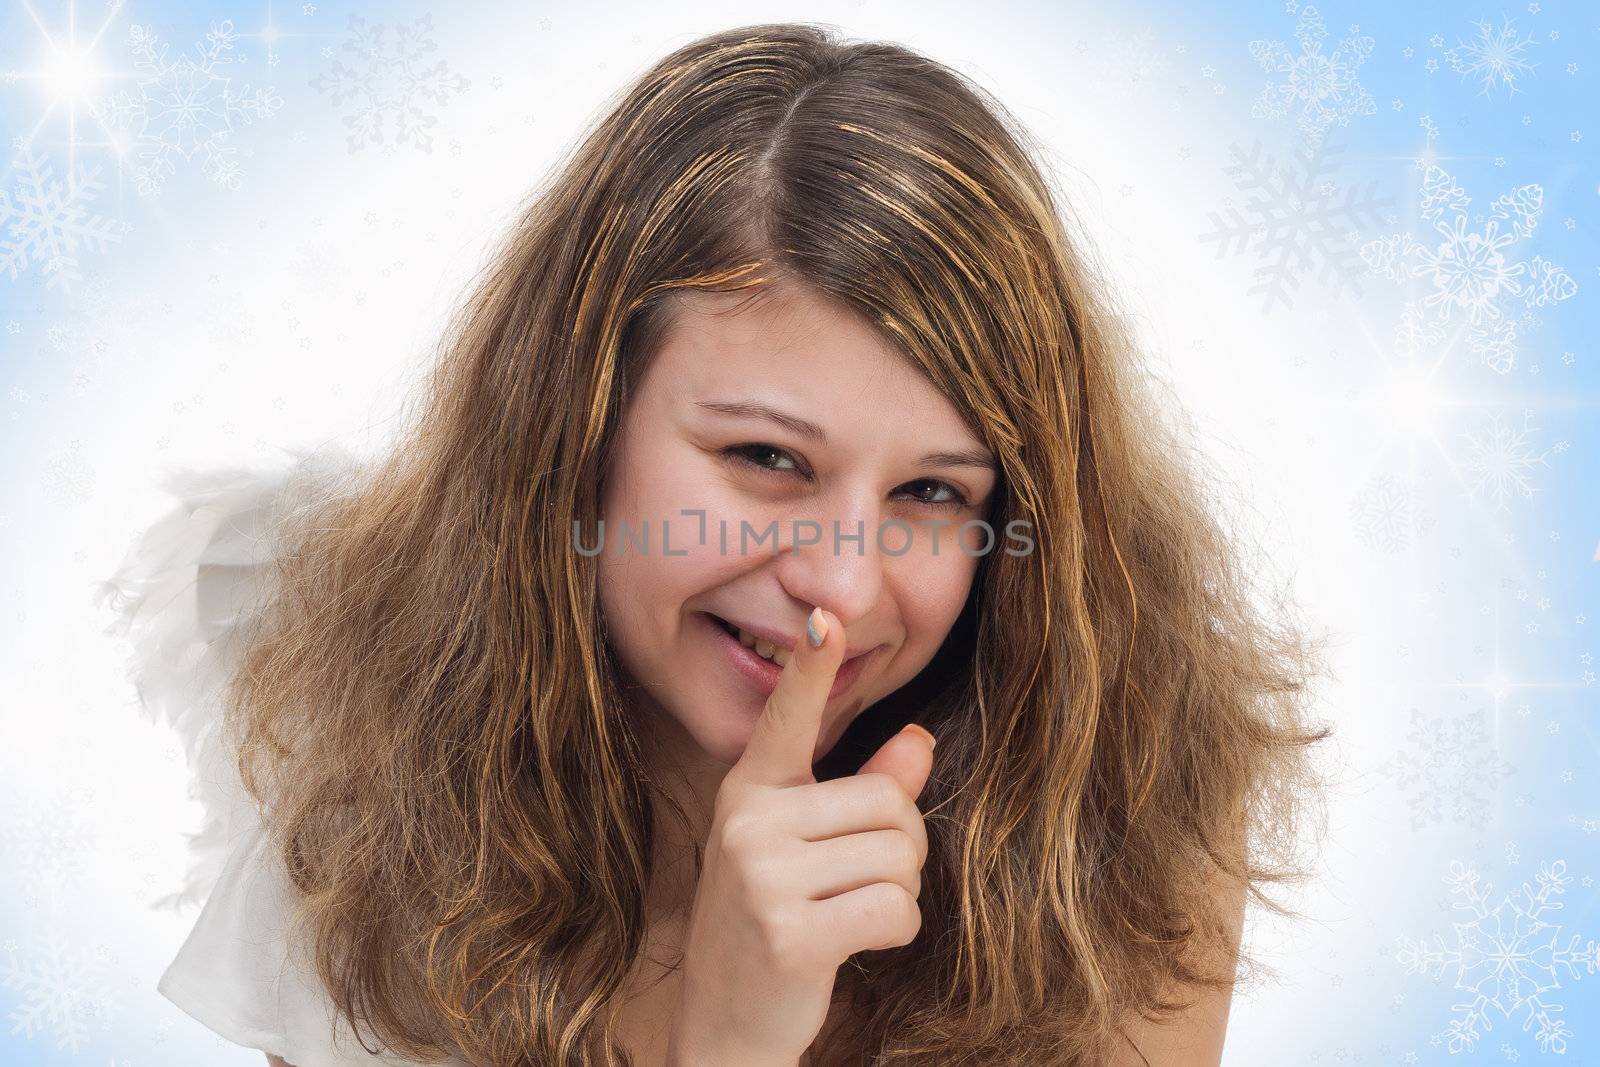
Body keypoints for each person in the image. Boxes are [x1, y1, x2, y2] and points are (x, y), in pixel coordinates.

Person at [95, 20, 1333, 1067]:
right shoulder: (354, 716)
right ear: (576, 421)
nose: (842, 586)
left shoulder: (1123, 795)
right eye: (766, 459)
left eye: (934, 493)